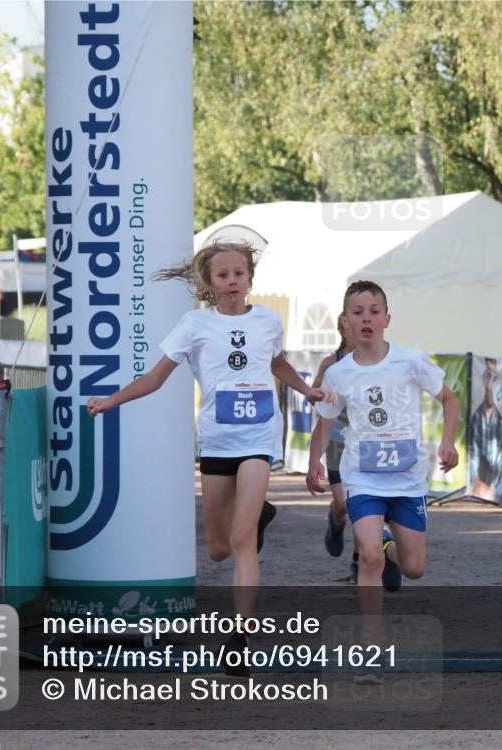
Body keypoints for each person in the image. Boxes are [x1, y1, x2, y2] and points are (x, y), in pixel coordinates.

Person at [87, 239, 329, 677]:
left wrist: (306, 389)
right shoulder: (194, 325)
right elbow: (156, 379)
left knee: (240, 541)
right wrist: (112, 400)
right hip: (217, 443)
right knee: (218, 549)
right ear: (209, 283)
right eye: (223, 275)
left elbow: (278, 364)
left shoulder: (269, 321)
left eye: (239, 273)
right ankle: (258, 518)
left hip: (258, 438)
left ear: (250, 279)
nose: (232, 281)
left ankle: (239, 640)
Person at [307, 280, 460, 684]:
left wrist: (448, 442)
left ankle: (390, 545)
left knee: (414, 569)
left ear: (387, 318)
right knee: (369, 558)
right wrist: (313, 463)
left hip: (408, 481)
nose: (366, 319)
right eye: (357, 313)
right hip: (362, 478)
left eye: (374, 311)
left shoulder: (411, 361)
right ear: (345, 322)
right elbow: (324, 422)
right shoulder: (338, 373)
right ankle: (370, 653)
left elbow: (449, 399)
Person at [311, 314, 359, 583]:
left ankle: (358, 565)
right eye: (354, 318)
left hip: (366, 445)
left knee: (362, 507)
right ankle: (335, 518)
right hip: (338, 443)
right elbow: (314, 393)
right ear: (343, 324)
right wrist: (322, 395)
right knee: (343, 505)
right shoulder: (332, 363)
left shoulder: (378, 361)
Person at [468, 359, 502, 502]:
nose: (491, 382)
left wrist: (494, 487)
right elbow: (473, 456)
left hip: (497, 491)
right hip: (479, 488)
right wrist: (476, 482)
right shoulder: (476, 416)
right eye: (487, 376)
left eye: (495, 377)